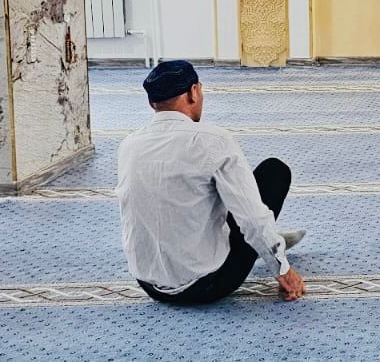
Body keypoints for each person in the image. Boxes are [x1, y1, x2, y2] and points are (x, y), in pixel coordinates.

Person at [116, 60, 308, 304]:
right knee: (273, 172)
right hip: (209, 283)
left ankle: (270, 241)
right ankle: (269, 245)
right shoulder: (213, 141)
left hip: (149, 284)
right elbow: (252, 218)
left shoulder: (128, 145)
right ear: (193, 92)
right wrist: (283, 270)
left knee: (200, 190)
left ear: (152, 103)